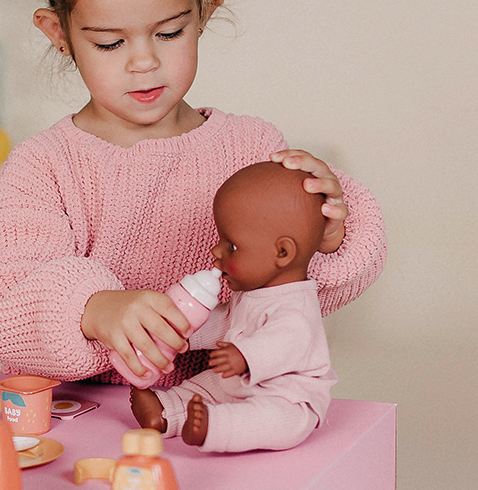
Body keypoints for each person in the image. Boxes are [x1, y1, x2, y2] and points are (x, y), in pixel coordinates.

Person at [0, 0, 385, 387]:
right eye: (109, 43)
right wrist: (94, 309)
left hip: (218, 416)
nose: (143, 62)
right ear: (59, 33)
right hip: (80, 421)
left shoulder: (250, 149)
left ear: (205, 10)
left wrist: (324, 237)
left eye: (169, 32)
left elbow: (295, 299)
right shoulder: (48, 167)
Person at [130, 161, 336, 451]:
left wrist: (244, 356)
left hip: (285, 391)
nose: (216, 250)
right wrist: (185, 328)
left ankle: (216, 426)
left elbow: (286, 342)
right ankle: (167, 412)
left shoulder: (296, 306)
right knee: (204, 387)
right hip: (239, 380)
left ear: (282, 252)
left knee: (280, 420)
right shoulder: (253, 292)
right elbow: (228, 321)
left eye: (232, 246)